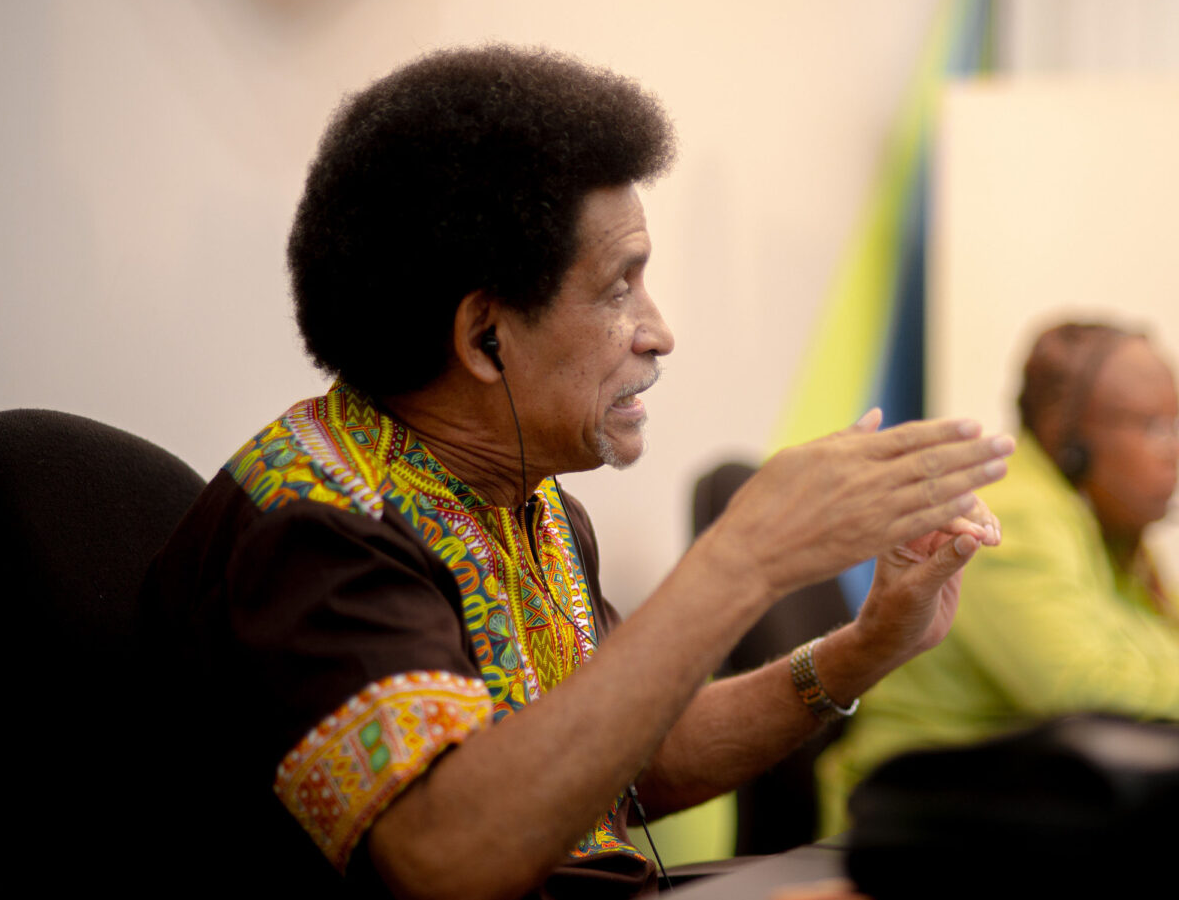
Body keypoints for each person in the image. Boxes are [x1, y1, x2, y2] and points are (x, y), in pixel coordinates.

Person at [138, 45, 1014, 900]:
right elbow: (441, 856)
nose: (659, 332)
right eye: (618, 289)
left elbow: (626, 754)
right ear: (484, 335)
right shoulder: (319, 527)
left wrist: (867, 646)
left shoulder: (531, 503)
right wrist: (743, 556)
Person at [816, 320, 1179, 832]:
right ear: (1072, 441)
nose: (1178, 451)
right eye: (1153, 426)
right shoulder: (1016, 515)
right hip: (912, 816)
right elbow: (1087, 689)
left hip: (1006, 806)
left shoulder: (1101, 524)